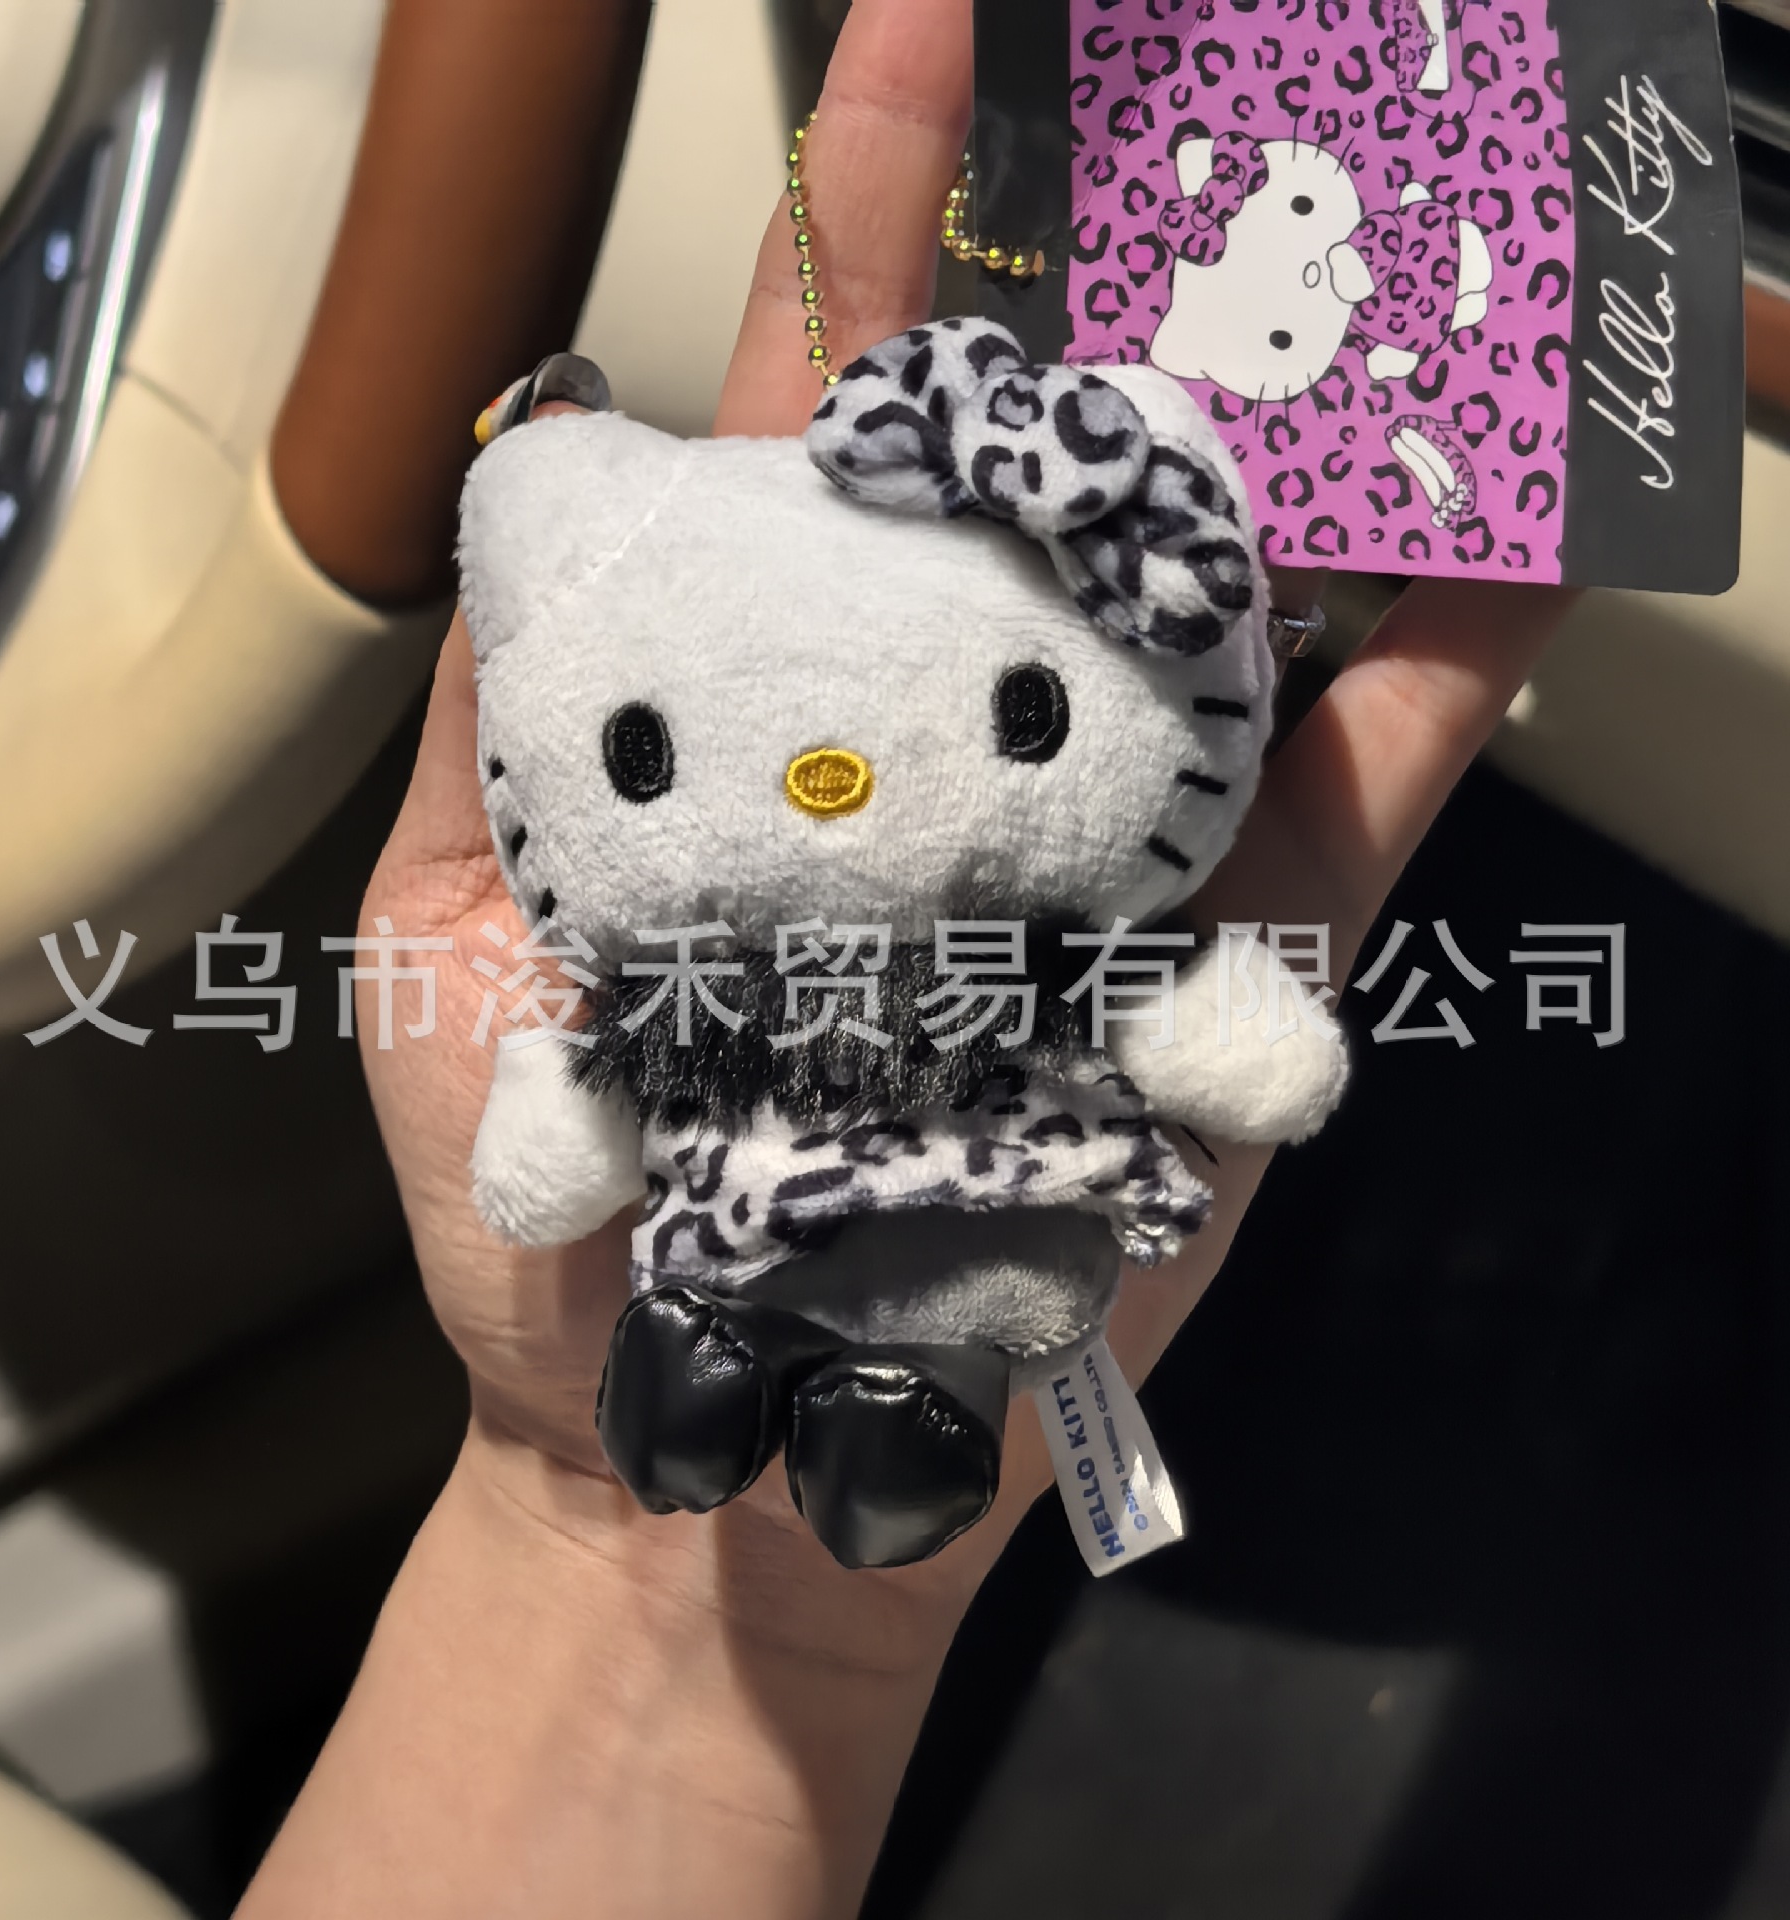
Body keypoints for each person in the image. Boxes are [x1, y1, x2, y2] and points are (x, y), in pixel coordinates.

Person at [236, 2, 1570, 1912]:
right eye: (653, 753)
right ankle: (705, 1362)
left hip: (965, 1231)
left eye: (1030, 716)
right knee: (719, 1292)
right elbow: (586, 1106)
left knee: (940, 1307)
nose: (839, 784)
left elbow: (1194, 1022)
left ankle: (894, 1401)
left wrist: (1225, 1023)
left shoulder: (1035, 963)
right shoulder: (703, 987)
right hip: (741, 1215)